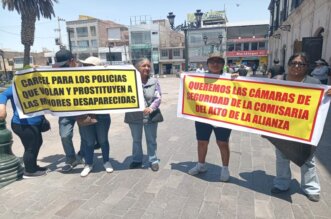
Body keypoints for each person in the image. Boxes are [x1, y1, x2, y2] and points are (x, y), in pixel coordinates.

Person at [270, 52, 331, 202]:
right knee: (282, 156)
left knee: (308, 159)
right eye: (294, 63)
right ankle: (282, 184)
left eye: (301, 64)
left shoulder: (315, 83)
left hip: (304, 128)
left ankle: (311, 188)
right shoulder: (278, 80)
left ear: (306, 66)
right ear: (288, 65)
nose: (297, 66)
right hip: (282, 127)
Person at [188, 52, 238, 182]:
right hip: (203, 116)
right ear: (207, 63)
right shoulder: (199, 77)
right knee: (202, 142)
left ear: (223, 64)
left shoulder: (230, 78)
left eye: (219, 61)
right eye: (212, 61)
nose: (215, 64)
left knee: (222, 143)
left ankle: (225, 168)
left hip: (223, 117)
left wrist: (239, 80)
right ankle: (201, 165)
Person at [0, 86, 48, 178]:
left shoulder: (37, 85)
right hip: (23, 124)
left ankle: (33, 166)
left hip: (35, 123)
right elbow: (3, 95)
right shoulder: (17, 86)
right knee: (31, 147)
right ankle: (29, 171)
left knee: (37, 143)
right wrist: (2, 106)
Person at [124, 58, 162, 171]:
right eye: (144, 65)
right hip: (133, 116)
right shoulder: (128, 80)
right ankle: (137, 160)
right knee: (136, 140)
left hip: (150, 116)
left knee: (151, 140)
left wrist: (151, 108)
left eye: (148, 66)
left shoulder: (154, 81)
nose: (147, 68)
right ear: (137, 68)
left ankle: (153, 160)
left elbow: (158, 97)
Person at [77, 56, 113, 177]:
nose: (85, 68)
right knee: (88, 142)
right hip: (85, 115)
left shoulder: (106, 79)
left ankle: (106, 161)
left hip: (102, 115)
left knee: (103, 140)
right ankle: (88, 164)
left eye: (88, 66)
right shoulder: (77, 80)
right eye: (84, 65)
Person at [54, 48, 84, 172]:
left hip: (82, 109)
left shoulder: (86, 71)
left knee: (86, 137)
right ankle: (71, 158)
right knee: (64, 135)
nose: (62, 68)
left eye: (64, 65)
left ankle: (82, 154)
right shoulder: (55, 73)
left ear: (72, 61)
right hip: (65, 111)